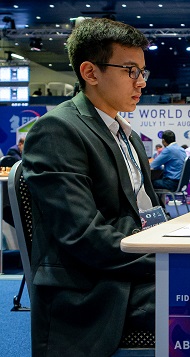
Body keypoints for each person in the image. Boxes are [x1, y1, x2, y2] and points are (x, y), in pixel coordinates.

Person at [21, 18, 159, 356]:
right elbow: (83, 236)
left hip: (132, 271)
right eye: (130, 70)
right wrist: (168, 260)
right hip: (96, 290)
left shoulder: (125, 134)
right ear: (90, 72)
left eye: (143, 72)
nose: (140, 82)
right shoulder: (57, 130)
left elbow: (147, 215)